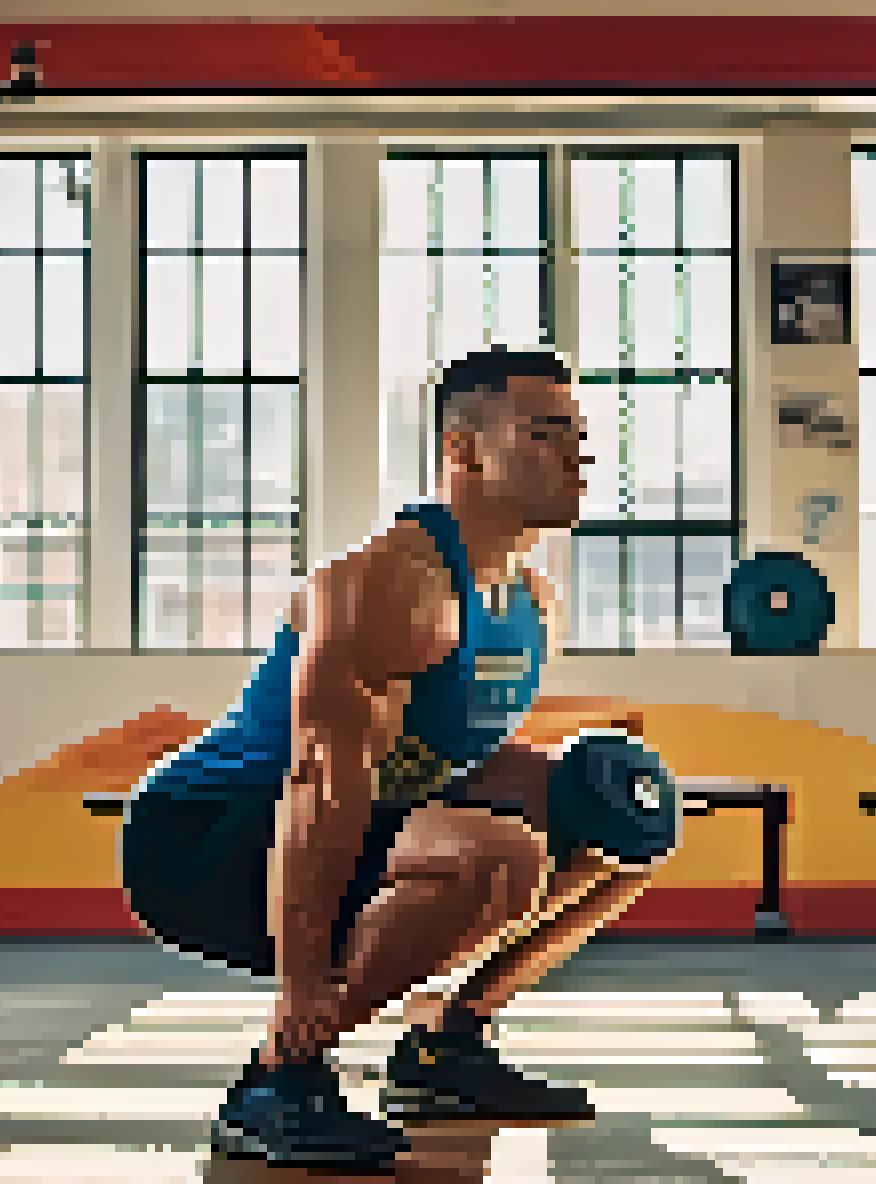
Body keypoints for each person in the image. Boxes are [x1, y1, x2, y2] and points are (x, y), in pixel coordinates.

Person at [120, 347, 668, 1170]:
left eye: (579, 434)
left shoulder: (530, 601)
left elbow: (450, 757)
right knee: (499, 857)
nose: (576, 453)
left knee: (624, 826)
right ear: (463, 449)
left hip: (335, 817)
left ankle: (447, 1044)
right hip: (206, 839)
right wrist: (303, 984)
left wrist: (572, 789)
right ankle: (282, 1077)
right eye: (545, 432)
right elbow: (319, 780)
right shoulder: (393, 587)